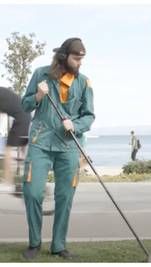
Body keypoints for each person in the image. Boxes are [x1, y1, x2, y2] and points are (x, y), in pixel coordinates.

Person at [20, 38, 95, 260]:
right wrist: (38, 96)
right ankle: (34, 243)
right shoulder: (40, 74)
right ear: (64, 57)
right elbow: (25, 105)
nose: (80, 63)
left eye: (82, 59)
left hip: (69, 145)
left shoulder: (84, 83)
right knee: (32, 192)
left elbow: (89, 116)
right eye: (76, 58)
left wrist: (77, 124)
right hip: (40, 142)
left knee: (65, 196)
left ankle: (58, 245)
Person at [0, 87, 31, 190]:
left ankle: (8, 183)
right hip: (27, 118)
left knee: (8, 149)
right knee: (23, 154)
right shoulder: (3, 92)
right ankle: (27, 179)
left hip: (21, 119)